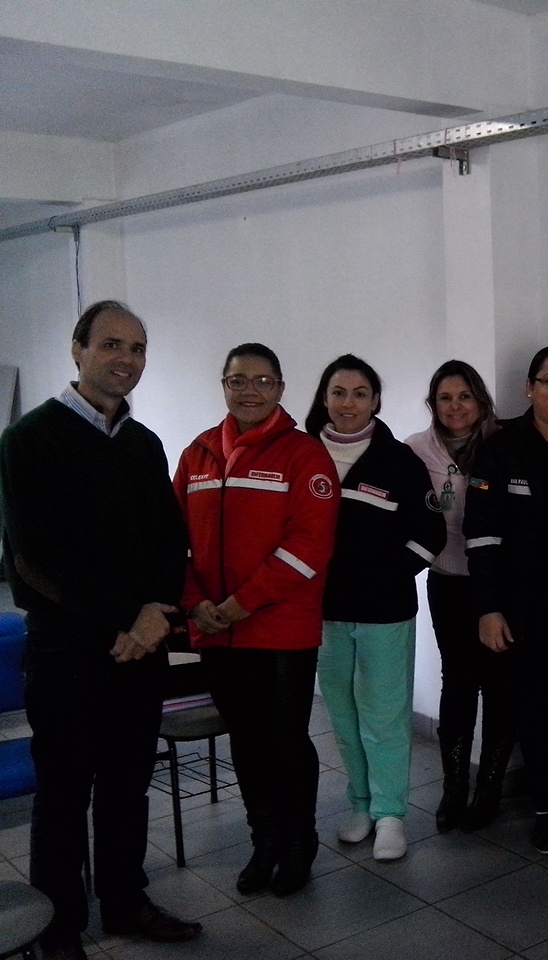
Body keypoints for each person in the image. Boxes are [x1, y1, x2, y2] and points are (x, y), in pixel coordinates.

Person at [0, 301, 201, 960]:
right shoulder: (29, 439)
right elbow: (35, 558)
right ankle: (57, 931)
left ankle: (125, 902)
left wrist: (154, 614)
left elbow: (170, 540)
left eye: (137, 348)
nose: (126, 359)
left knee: (126, 787)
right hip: (67, 652)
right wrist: (127, 616)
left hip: (139, 651)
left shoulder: (143, 444)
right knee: (63, 796)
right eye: (112, 344)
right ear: (78, 349)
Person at [174, 343, 339, 897]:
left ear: (281, 389)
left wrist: (241, 603)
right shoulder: (197, 455)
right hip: (216, 630)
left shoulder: (304, 455)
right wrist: (195, 602)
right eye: (238, 380)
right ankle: (263, 840)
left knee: (286, 740)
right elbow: (173, 542)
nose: (250, 390)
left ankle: (298, 841)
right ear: (223, 385)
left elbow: (309, 546)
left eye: (263, 381)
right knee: (245, 739)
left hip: (280, 629)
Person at [305, 355, 444, 861]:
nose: (349, 403)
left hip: (385, 612)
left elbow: (431, 533)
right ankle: (361, 805)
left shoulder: (399, 461)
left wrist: (387, 575)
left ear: (376, 401)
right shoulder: (303, 455)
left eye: (360, 393)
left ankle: (390, 814)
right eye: (339, 392)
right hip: (322, 614)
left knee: (384, 717)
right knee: (342, 714)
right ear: (325, 398)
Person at [464, 345, 548, 855]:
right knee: (538, 705)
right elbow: (481, 533)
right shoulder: (503, 447)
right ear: (529, 388)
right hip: (525, 606)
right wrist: (488, 607)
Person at [405, 361, 515, 834]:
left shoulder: (504, 444)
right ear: (433, 404)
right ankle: (453, 788)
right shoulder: (415, 449)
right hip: (448, 579)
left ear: (480, 401)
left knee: (501, 684)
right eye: (445, 398)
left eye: (465, 396)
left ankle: (489, 788)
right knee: (458, 683)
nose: (455, 406)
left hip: (500, 584)